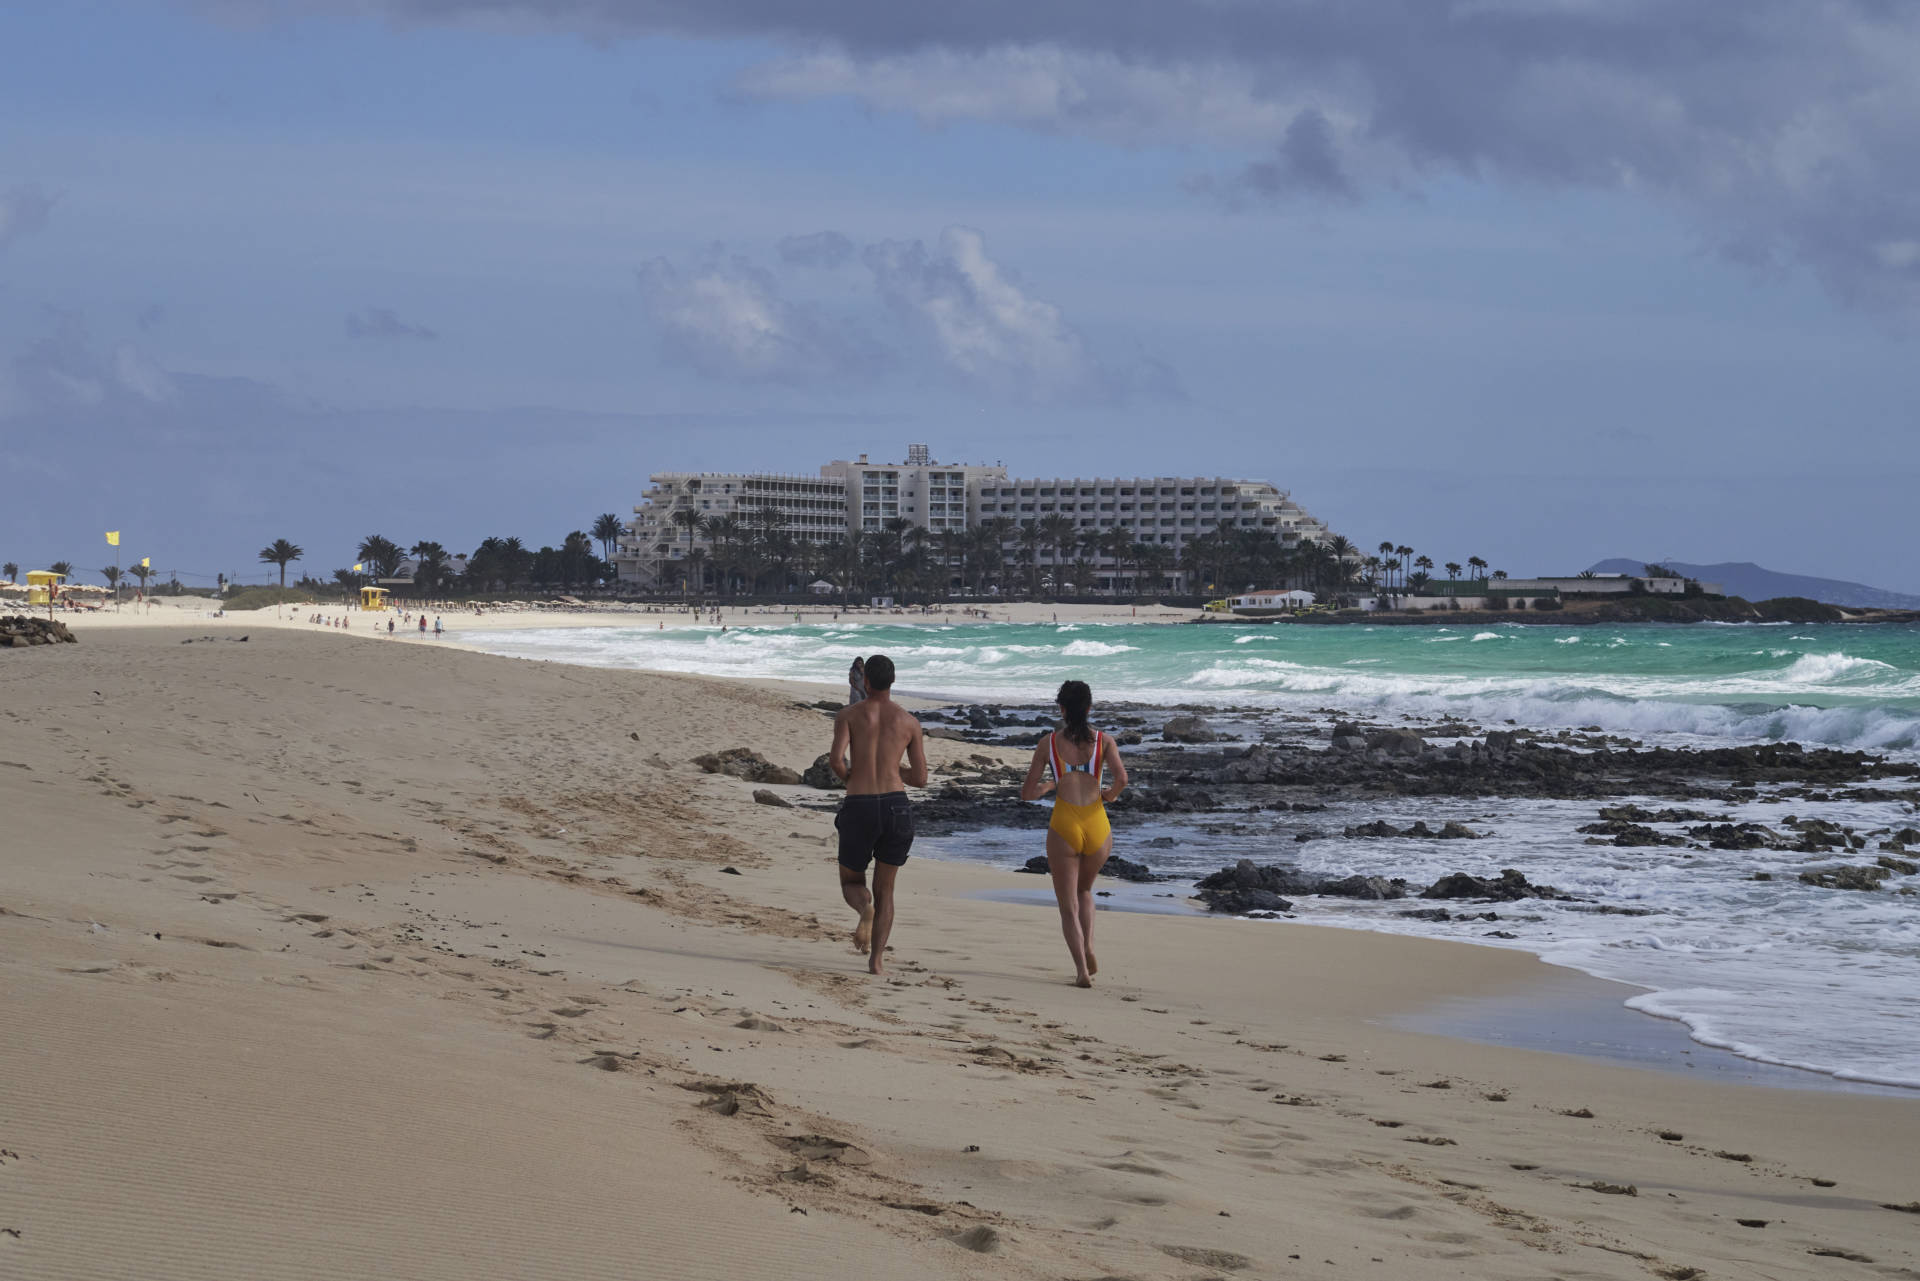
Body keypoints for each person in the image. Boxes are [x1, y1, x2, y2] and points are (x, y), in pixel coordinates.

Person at [1020, 679, 1128, 988]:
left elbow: (1028, 793)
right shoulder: (1105, 741)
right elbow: (1122, 778)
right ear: (1089, 708)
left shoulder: (1048, 743)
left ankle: (1081, 970)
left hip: (1064, 825)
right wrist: (1109, 795)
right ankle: (1090, 946)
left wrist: (1049, 786)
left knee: (1068, 905)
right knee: (1084, 892)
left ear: (1062, 709)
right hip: (1097, 826)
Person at [827, 654, 927, 975]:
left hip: (860, 804)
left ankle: (864, 909)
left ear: (865, 681)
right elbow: (921, 778)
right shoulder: (909, 722)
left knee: (851, 881)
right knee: (887, 888)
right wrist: (895, 771)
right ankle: (877, 961)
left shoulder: (849, 715)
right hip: (896, 806)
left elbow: (837, 760)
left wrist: (851, 779)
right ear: (893, 681)